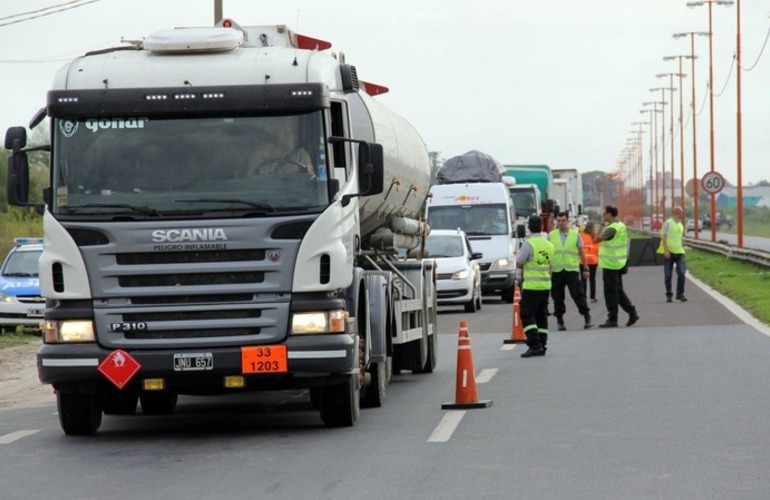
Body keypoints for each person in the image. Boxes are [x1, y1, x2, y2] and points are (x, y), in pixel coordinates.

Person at [516, 215, 555, 358]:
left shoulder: (528, 244)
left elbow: (519, 263)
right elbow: (551, 266)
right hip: (545, 285)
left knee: (526, 314)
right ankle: (542, 344)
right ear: (542, 226)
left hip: (532, 285)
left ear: (529, 227)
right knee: (541, 316)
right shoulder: (549, 245)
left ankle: (534, 344)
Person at [595, 205, 639, 328]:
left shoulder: (612, 229)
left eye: (604, 214)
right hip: (619, 262)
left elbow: (596, 239)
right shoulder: (621, 226)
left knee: (610, 292)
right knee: (618, 291)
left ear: (609, 214)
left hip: (611, 264)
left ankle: (613, 318)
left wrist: (601, 225)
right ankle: (632, 312)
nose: (603, 216)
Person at [548, 212, 593, 330]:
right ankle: (560, 321)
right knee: (557, 297)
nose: (561, 223)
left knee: (578, 295)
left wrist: (585, 268)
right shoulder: (551, 235)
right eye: (559, 220)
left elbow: (581, 252)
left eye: (563, 220)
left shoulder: (575, 235)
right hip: (557, 271)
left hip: (571, 270)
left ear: (567, 221)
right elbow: (547, 254)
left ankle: (587, 317)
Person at [248, 119, 314, 176]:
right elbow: (249, 183)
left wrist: (307, 173)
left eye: (291, 132)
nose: (288, 134)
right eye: (284, 131)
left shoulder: (301, 155)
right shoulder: (259, 155)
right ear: (274, 133)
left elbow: (311, 181)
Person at [658, 205, 687, 302]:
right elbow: (664, 237)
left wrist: (683, 249)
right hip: (669, 252)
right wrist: (665, 250)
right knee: (668, 274)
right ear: (674, 213)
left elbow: (680, 238)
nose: (681, 215)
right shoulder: (667, 223)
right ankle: (669, 295)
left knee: (682, 273)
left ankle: (680, 294)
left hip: (679, 252)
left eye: (682, 213)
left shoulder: (681, 225)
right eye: (680, 213)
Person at [580, 220, 599, 304]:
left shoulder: (581, 236)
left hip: (583, 261)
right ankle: (592, 297)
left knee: (584, 279)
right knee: (592, 279)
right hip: (593, 260)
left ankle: (583, 296)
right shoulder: (594, 237)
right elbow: (597, 249)